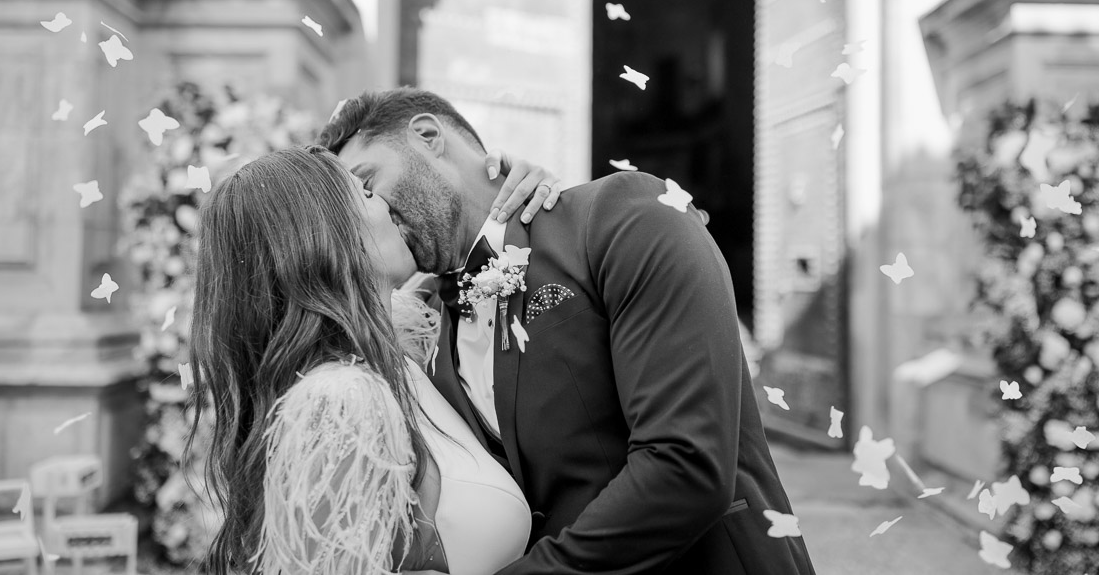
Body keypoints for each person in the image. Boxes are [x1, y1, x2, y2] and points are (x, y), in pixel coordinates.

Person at [320, 87, 819, 575]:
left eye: (367, 181)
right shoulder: (426, 320)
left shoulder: (622, 216)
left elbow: (685, 465)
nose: (374, 213)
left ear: (427, 136)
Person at [186, 144, 561, 574]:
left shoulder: (402, 356)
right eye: (364, 193)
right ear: (324, 236)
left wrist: (511, 197)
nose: (384, 202)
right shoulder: (339, 402)